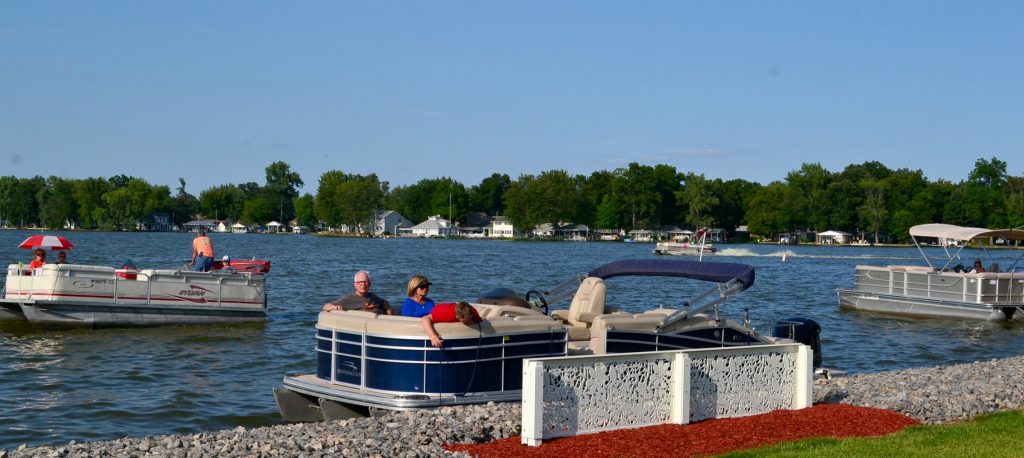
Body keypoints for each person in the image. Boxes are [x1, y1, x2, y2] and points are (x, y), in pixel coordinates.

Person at [323, 270, 393, 315]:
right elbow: (326, 306)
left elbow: (383, 302)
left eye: (366, 282)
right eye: (360, 282)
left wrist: (389, 312)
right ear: (355, 285)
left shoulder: (373, 296)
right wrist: (334, 307)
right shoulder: (349, 299)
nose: (363, 284)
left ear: (370, 284)